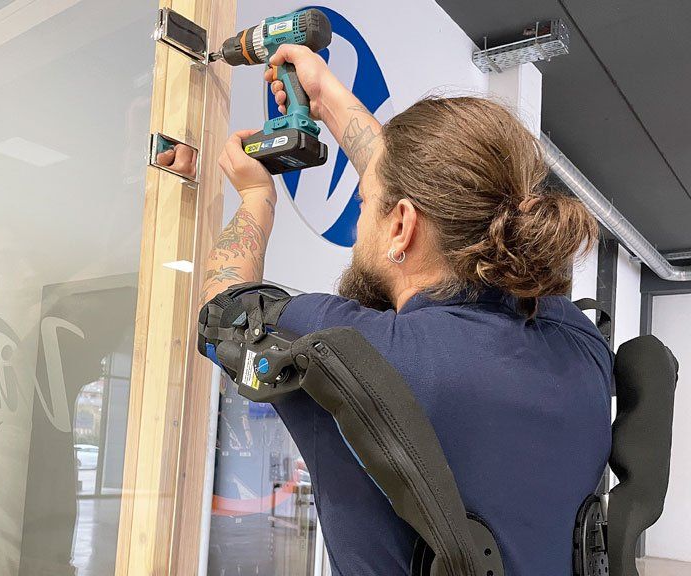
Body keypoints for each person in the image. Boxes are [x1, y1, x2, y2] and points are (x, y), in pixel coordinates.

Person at [200, 44, 612, 576]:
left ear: (400, 226)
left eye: (363, 203)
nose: (359, 222)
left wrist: (257, 197)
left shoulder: (351, 354)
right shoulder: (578, 339)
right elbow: (421, 185)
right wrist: (326, 96)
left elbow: (220, 311)